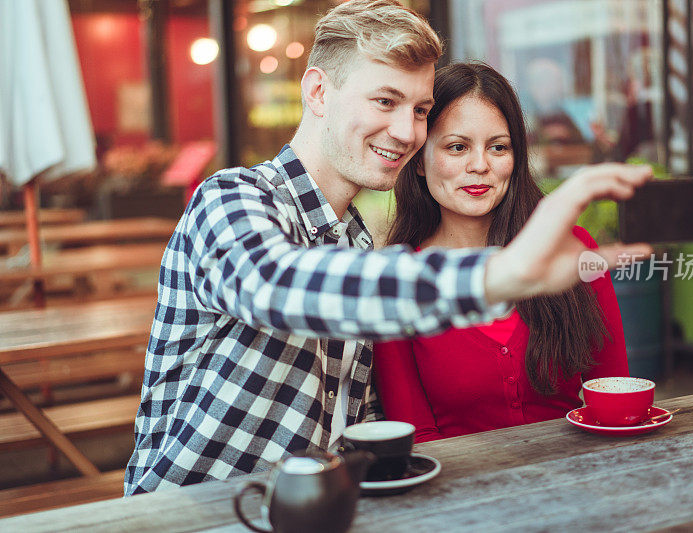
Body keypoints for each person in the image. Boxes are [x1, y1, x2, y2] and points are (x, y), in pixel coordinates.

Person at [124, 0, 652, 495]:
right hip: (188, 513)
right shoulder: (232, 199)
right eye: (385, 101)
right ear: (318, 92)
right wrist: (498, 275)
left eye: (421, 110)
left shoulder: (356, 242)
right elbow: (275, 284)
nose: (406, 131)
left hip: (308, 511)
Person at [373, 63, 630, 443]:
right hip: (457, 491)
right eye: (457, 147)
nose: (480, 166)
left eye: (498, 147)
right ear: (420, 163)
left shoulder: (572, 249)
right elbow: (417, 436)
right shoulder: (398, 280)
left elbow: (613, 393)